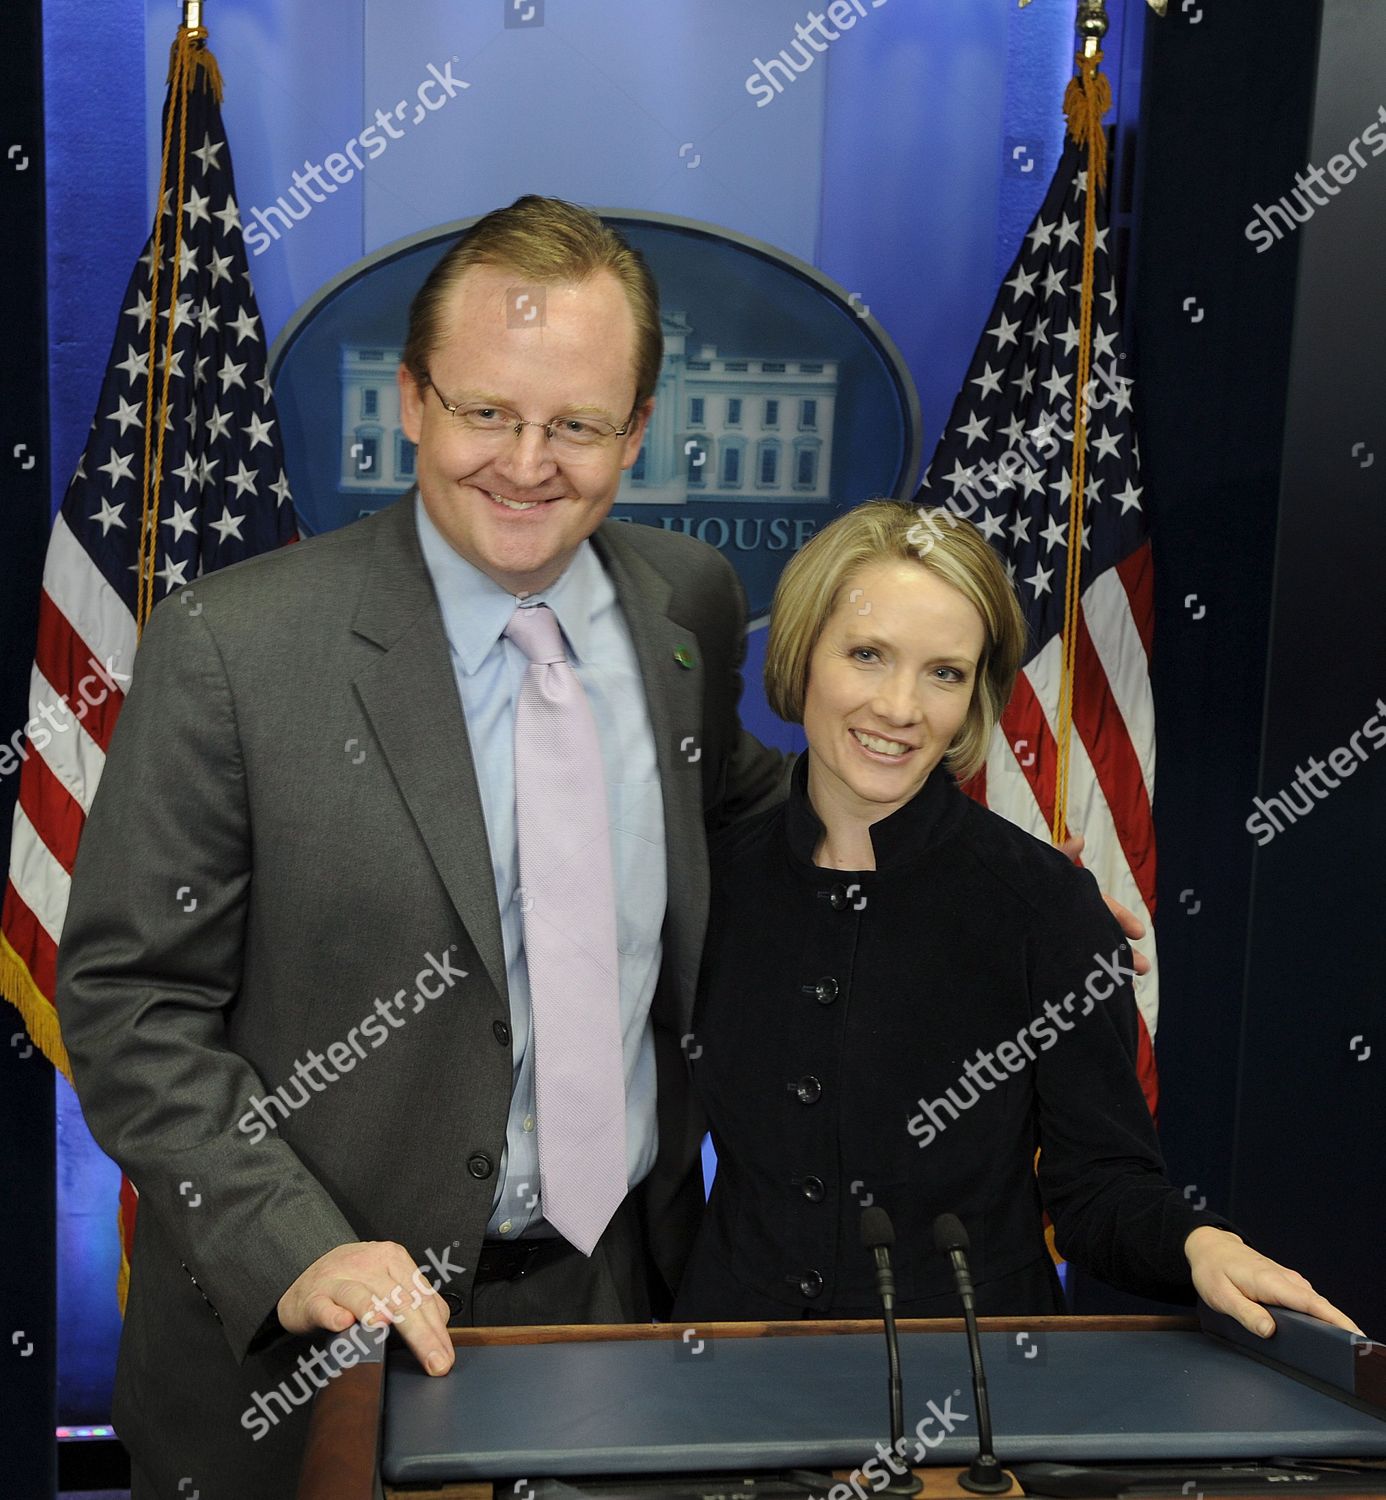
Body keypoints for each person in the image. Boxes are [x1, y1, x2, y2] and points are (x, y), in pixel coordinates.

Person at [57, 196, 789, 1500]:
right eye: (485, 411)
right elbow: (130, 1000)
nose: (526, 461)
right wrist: (288, 1246)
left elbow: (748, 820)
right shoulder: (232, 647)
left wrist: (1003, 894)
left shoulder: (687, 605)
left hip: (617, 1316)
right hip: (312, 1353)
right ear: (409, 402)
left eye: (576, 424)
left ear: (635, 432)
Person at [672, 500, 1359, 1336]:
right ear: (801, 658)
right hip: (727, 1368)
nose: (900, 706)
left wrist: (1198, 1246)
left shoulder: (1046, 907)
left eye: (944, 673)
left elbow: (1100, 1188)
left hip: (973, 1390)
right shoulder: (707, 882)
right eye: (867, 655)